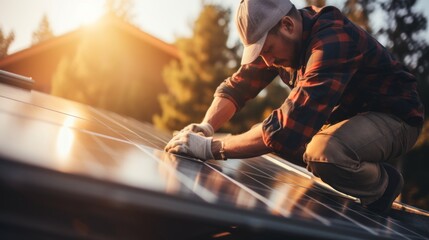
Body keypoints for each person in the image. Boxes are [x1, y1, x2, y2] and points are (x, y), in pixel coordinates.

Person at [164, 0, 424, 214]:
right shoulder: (281, 39)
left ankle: (384, 185)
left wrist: (211, 148)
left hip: (395, 117)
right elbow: (237, 87)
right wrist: (206, 127)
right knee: (290, 145)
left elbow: (286, 127)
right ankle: (346, 162)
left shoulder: (332, 41)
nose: (266, 61)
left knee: (323, 152)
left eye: (267, 50)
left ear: (287, 25)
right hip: (346, 118)